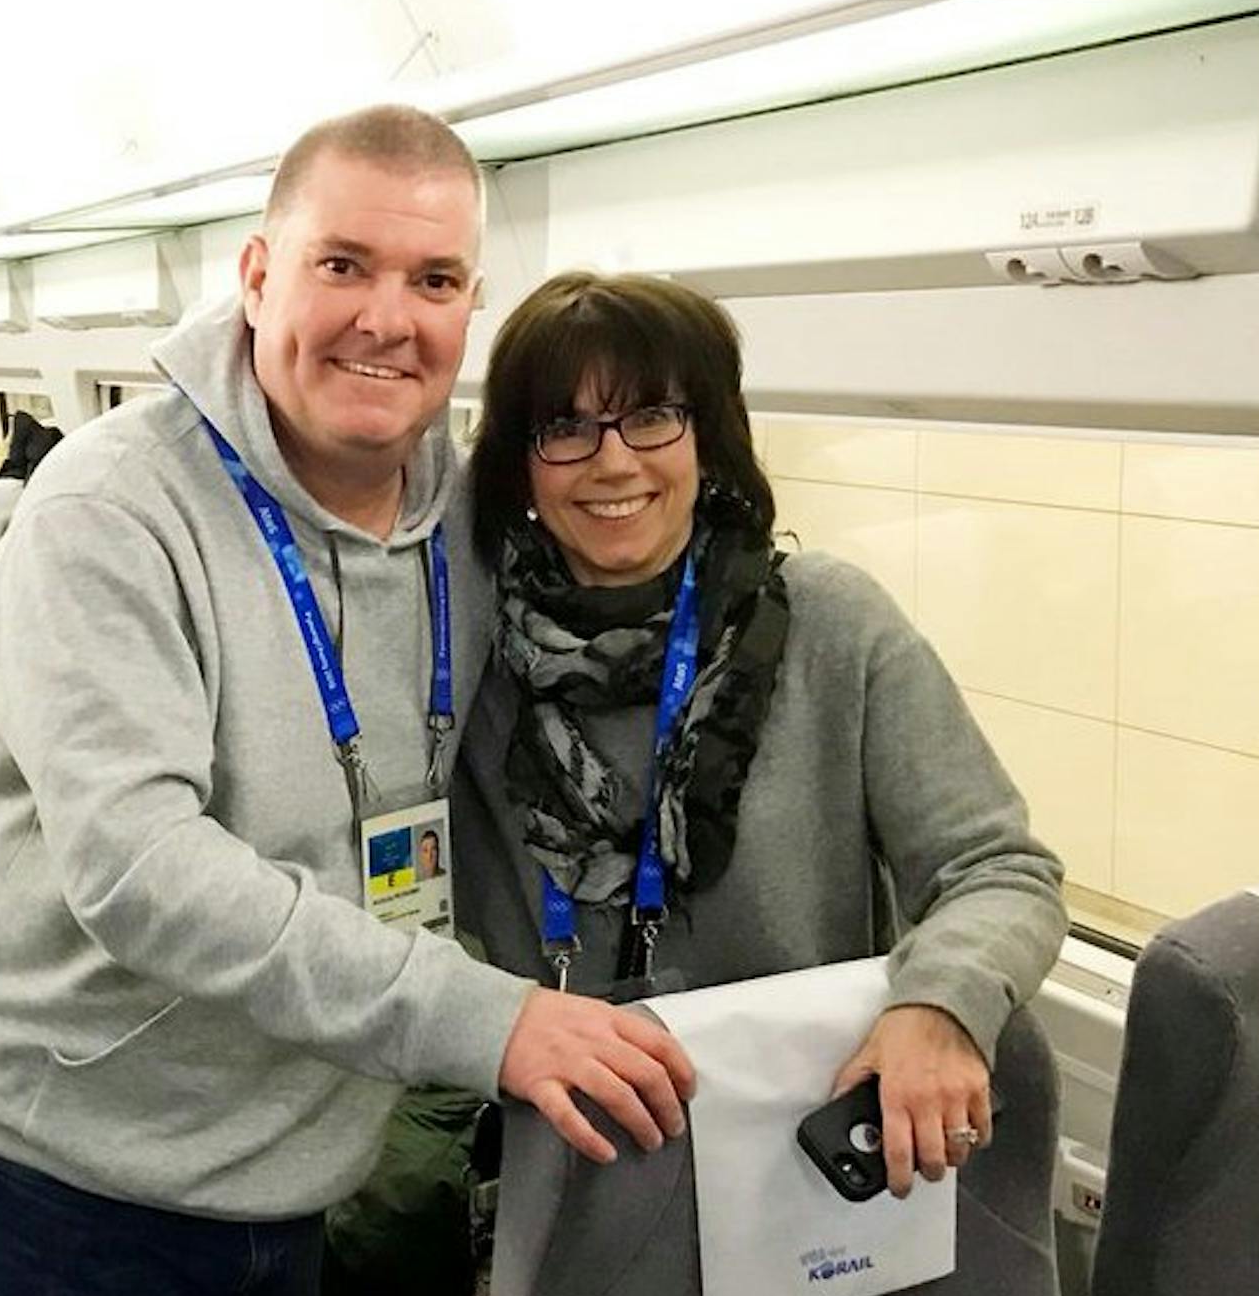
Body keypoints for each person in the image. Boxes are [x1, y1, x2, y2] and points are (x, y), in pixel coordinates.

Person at [0, 104, 694, 1296]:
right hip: (71, 1171)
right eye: (345, 263)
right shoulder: (110, 513)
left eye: (436, 278)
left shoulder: (461, 518)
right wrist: (497, 1023)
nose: (389, 317)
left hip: (292, 1159)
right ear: (259, 274)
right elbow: (141, 872)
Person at [458, 270, 1068, 1192]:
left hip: (804, 1153)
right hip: (569, 1170)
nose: (613, 462)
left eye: (652, 415)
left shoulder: (829, 621)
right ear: (520, 464)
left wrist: (942, 1000)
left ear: (708, 436)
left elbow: (1001, 872)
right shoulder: (467, 656)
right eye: (566, 428)